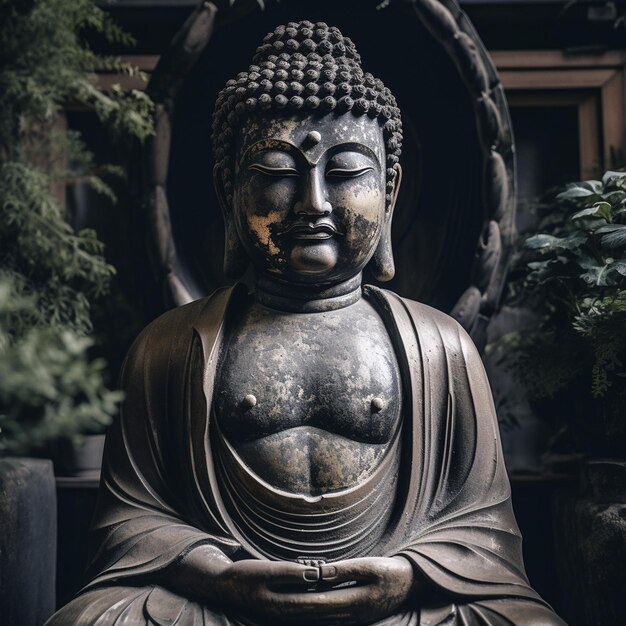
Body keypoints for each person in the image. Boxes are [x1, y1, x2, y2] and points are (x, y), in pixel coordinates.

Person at [47, 21, 565, 626]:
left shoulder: (439, 348)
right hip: (221, 605)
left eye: (345, 173)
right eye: (275, 172)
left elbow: (485, 533)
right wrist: (217, 576)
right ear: (228, 191)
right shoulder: (170, 346)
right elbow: (128, 524)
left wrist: (407, 576)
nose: (313, 201)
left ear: (389, 192)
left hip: (395, 608)